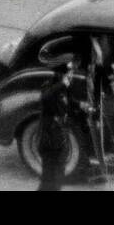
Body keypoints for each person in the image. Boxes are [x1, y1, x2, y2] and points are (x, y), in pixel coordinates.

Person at [37, 58, 79, 191]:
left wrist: (83, 106)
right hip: (49, 138)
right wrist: (62, 84)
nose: (71, 76)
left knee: (58, 175)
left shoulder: (64, 88)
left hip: (60, 136)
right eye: (68, 74)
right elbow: (45, 98)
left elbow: (70, 102)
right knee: (49, 178)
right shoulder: (49, 87)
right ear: (61, 74)